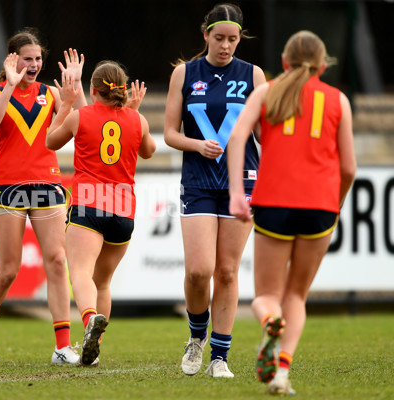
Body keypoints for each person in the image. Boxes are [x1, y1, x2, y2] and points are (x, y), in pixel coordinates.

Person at [227, 30, 356, 395]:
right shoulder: (339, 101)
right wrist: (337, 203)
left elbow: (237, 137)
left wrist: (237, 194)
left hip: (273, 202)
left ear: (284, 61)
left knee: (267, 297)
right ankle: (281, 371)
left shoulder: (267, 91)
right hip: (320, 206)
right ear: (321, 64)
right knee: (296, 296)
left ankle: (270, 322)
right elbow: (349, 168)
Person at [0, 28, 88, 365]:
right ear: (13, 60)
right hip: (7, 188)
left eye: (38, 59)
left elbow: (83, 122)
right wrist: (10, 85)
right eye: (28, 59)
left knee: (56, 261)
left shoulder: (50, 93)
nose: (34, 64)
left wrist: (74, 90)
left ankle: (62, 347)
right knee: (9, 269)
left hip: (47, 184)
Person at [163, 3, 266, 378]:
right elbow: (170, 133)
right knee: (198, 271)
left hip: (243, 182)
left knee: (226, 271)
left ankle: (219, 357)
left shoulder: (253, 75)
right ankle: (196, 338)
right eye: (219, 38)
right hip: (198, 181)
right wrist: (197, 145)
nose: (226, 46)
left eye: (233, 40)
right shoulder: (184, 73)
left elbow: (263, 135)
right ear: (205, 34)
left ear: (240, 39)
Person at [46, 61, 156, 365]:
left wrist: (66, 103)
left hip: (88, 203)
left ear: (92, 90)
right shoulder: (138, 120)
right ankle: (93, 351)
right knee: (103, 282)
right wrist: (134, 112)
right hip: (123, 208)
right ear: (124, 89)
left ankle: (90, 320)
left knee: (80, 273)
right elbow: (148, 151)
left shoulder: (80, 116)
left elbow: (49, 140)